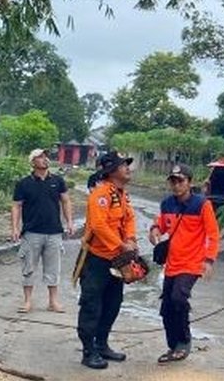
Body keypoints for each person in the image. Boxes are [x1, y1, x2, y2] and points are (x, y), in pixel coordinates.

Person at [149, 163, 219, 364]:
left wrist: (209, 260)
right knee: (167, 308)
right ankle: (174, 346)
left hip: (192, 262)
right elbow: (160, 224)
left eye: (180, 181)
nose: (176, 185)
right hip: (172, 263)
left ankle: (184, 341)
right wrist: (154, 230)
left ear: (190, 182)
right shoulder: (167, 204)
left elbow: (213, 234)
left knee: (179, 298)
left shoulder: (202, 205)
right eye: (173, 181)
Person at [76, 151, 138, 370]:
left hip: (116, 260)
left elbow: (129, 218)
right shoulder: (100, 194)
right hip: (97, 259)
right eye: (124, 165)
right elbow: (100, 226)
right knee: (92, 304)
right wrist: (122, 246)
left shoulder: (121, 194)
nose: (128, 168)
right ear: (111, 171)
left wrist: (130, 239)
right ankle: (88, 351)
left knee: (113, 303)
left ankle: (101, 344)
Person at [11, 148, 73, 313]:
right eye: (40, 157)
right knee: (28, 268)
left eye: (45, 156)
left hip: (54, 231)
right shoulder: (24, 183)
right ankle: (27, 301)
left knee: (53, 268)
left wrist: (70, 222)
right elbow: (16, 206)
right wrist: (15, 228)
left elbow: (66, 201)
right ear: (33, 162)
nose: (45, 159)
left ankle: (53, 302)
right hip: (32, 232)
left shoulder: (58, 181)